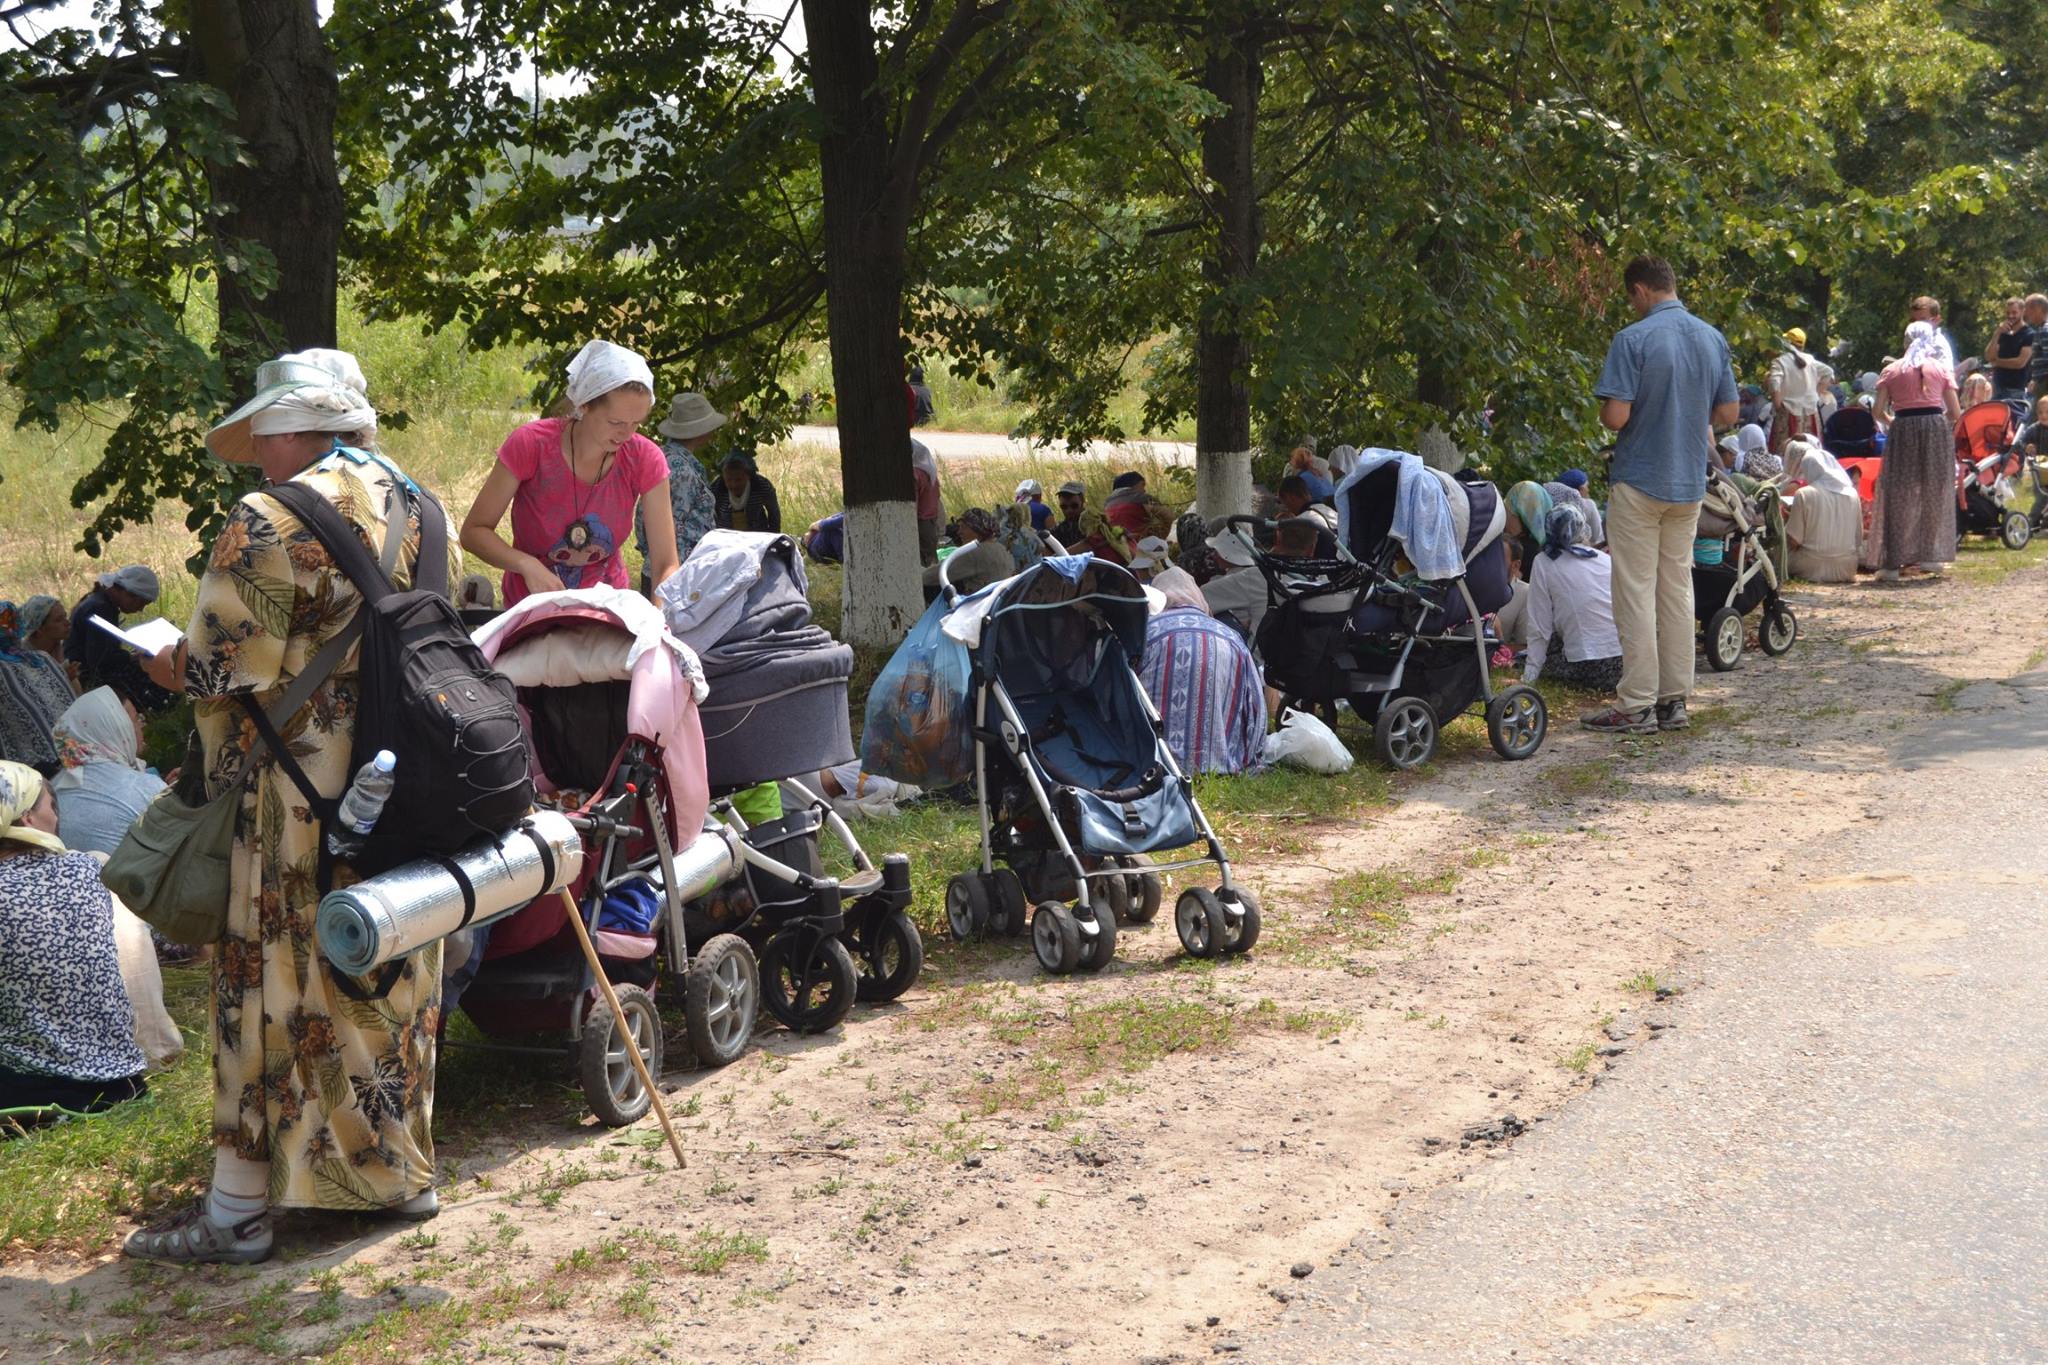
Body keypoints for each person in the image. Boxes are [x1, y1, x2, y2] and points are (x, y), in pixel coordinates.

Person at [125, 348, 450, 1265]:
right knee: (388, 965)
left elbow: (227, 664)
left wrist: (165, 667)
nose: (256, 455)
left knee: (270, 980)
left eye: (260, 435)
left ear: (288, 427)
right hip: (407, 777)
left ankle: (236, 1209)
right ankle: (393, 1176)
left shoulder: (265, 516)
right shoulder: (420, 502)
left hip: (299, 794)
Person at [1587, 255, 1739, 735]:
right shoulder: (1711, 338)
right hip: (1688, 482)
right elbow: (1730, 411)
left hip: (1640, 479)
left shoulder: (1632, 339)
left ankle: (1635, 703)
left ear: (1640, 290)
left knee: (1634, 591)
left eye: (1630, 298)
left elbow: (1616, 417)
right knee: (1676, 587)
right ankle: (1675, 700)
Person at [463, 340, 677, 606]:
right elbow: (474, 531)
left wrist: (660, 622)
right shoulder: (531, 444)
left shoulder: (645, 458)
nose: (627, 434)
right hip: (532, 611)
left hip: (605, 611)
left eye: (636, 423)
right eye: (615, 422)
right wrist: (525, 564)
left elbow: (665, 563)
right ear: (584, 405)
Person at [0, 761, 151, 1117]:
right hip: (123, 1084)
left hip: (33, 1093)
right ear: (26, 818)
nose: (57, 818)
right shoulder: (89, 869)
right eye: (51, 807)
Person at [1138, 569, 1267, 775]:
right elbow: (1254, 708)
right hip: (1219, 765)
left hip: (1153, 764)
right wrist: (1252, 756)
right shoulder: (1231, 638)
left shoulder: (1144, 633)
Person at [1867, 321, 1961, 581]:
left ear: (1906, 341)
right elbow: (1955, 412)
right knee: (1934, 491)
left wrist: (1894, 421)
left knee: (1897, 493)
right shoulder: (1940, 369)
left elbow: (1877, 412)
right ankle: (1931, 556)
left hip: (1903, 427)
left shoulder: (1891, 370)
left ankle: (1892, 563)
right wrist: (1936, 420)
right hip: (1934, 428)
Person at [48, 686, 164, 857]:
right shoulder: (145, 787)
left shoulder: (50, 790)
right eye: (135, 719)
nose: (141, 725)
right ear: (116, 727)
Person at [1522, 504, 1623, 693]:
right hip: (1624, 664)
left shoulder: (1544, 562)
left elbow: (1539, 624)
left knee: (1530, 655)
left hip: (1589, 667)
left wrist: (1529, 676)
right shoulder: (1605, 559)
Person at [634, 392, 723, 590]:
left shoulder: (664, 458)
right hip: (679, 574)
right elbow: (670, 524)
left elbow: (641, 518)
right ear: (700, 431)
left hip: (668, 570)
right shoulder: (682, 471)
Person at [67, 565, 171, 713]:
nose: (141, 609)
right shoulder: (101, 608)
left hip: (89, 671)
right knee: (156, 678)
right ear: (128, 593)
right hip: (87, 677)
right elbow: (99, 660)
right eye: (141, 603)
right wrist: (132, 657)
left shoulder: (101, 603)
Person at [0, 600, 79, 773]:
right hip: (76, 753)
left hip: (32, 772)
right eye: (59, 619)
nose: (67, 623)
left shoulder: (39, 659)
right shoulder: (40, 658)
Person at [1782, 440, 1861, 583]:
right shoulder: (1853, 494)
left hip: (1809, 566)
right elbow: (1858, 539)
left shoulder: (1804, 494)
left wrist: (1788, 520)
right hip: (1846, 567)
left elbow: (1794, 541)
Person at [925, 508, 1011, 598]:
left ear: (977, 530)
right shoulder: (1003, 549)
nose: (959, 532)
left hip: (975, 605)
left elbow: (932, 576)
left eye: (964, 527)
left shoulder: (976, 552)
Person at [1199, 529, 1267, 642]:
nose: (1214, 555)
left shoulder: (1244, 579)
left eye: (1218, 551)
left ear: (1227, 554)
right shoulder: (1258, 574)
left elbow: (1201, 597)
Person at [1767, 326, 1825, 452]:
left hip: (1788, 413)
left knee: (1785, 452)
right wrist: (1816, 395)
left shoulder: (1780, 361)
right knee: (1811, 450)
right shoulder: (1810, 360)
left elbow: (1774, 382)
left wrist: (1778, 405)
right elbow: (1829, 373)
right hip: (1810, 413)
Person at [712, 452, 782, 533]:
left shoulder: (762, 486)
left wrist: (772, 538)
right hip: (726, 538)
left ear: (748, 475)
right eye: (729, 480)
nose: (734, 485)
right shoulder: (716, 489)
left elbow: (774, 515)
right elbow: (709, 516)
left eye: (738, 480)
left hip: (757, 537)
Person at [1984, 297, 2034, 407]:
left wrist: (1997, 362)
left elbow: (2020, 363)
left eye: (2014, 312)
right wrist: (1996, 334)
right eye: (2008, 313)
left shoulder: (2029, 334)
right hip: (1997, 387)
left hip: (2015, 390)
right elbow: (1988, 356)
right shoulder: (2003, 333)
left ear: (2022, 311)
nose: (2011, 316)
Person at [1504, 482, 1552, 580]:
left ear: (1521, 513)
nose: (1504, 513)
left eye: (1508, 508)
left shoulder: (1515, 550)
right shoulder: (1544, 548)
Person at [1104, 471, 1162, 544]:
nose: (1144, 490)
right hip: (1142, 545)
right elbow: (1167, 517)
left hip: (1118, 547)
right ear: (1132, 485)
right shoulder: (1142, 498)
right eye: (1142, 485)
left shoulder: (1107, 504)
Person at [1907, 296, 1958, 376]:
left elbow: (1948, 376)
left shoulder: (1938, 345)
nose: (1916, 324)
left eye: (1922, 320)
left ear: (1936, 320)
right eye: (1913, 320)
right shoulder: (1912, 340)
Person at [912, 436, 943, 565]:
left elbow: (912, 504)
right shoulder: (930, 473)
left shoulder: (914, 474)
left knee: (921, 561)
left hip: (920, 523)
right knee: (930, 558)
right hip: (931, 521)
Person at [1050, 481, 1088, 549]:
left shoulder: (1094, 525)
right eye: (1064, 507)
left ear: (1082, 502)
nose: (1069, 510)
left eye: (1074, 506)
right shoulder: (1060, 529)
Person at [2026, 294, 2048, 397]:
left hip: (2044, 383)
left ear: (2038, 309)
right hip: (2041, 381)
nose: (2026, 313)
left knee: (2037, 413)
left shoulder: (2044, 330)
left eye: (2028, 309)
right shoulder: (2041, 329)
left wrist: (2039, 380)